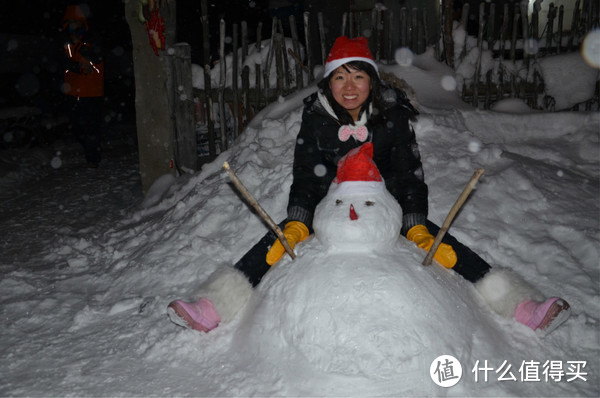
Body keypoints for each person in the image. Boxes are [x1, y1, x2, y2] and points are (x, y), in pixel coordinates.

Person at [167, 36, 571, 335]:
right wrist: (299, 218)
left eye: (357, 76)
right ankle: (212, 307)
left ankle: (522, 306)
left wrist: (412, 218)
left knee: (447, 248)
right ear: (328, 83)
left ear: (371, 81)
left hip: (386, 207)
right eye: (339, 77)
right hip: (332, 208)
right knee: (272, 243)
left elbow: (409, 171)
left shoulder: (392, 116)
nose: (348, 86)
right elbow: (307, 174)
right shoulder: (316, 118)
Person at [61, 4, 104, 168]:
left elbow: (96, 57)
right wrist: (77, 66)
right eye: (70, 21)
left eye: (75, 21)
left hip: (92, 92)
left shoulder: (92, 37)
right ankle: (90, 151)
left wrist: (82, 59)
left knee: (91, 127)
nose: (72, 24)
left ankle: (93, 160)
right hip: (73, 92)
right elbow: (65, 61)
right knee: (77, 127)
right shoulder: (66, 41)